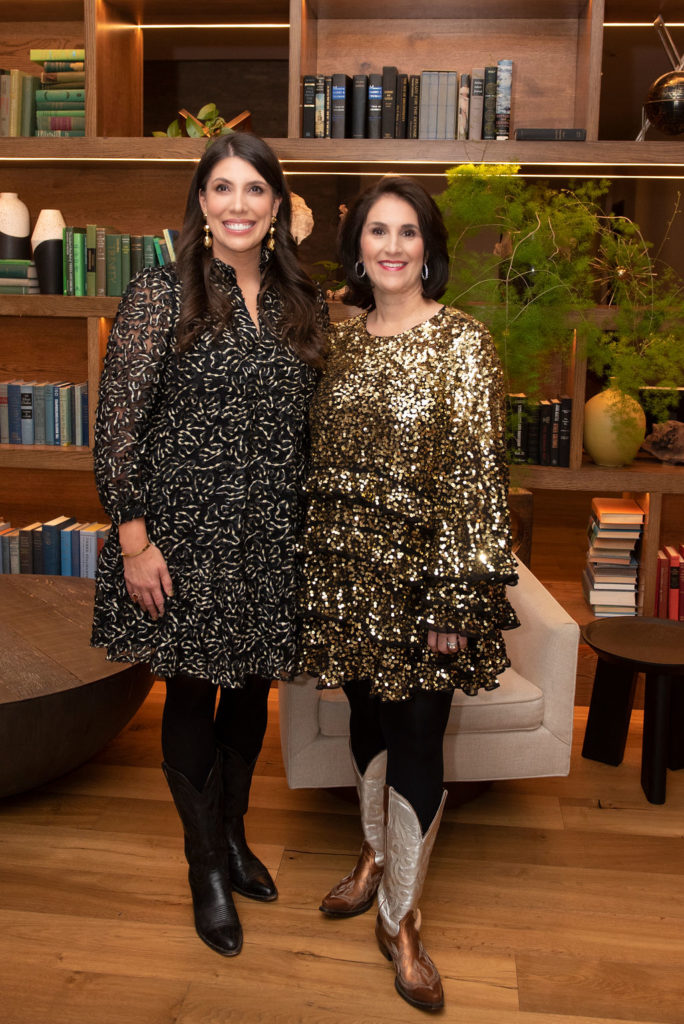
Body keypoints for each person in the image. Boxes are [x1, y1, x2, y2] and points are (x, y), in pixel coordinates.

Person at [91, 133, 328, 958]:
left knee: (251, 692)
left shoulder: (306, 298)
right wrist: (133, 542)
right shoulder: (161, 291)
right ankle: (205, 869)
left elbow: (310, 423)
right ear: (201, 201)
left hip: (272, 533)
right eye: (222, 188)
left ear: (276, 205)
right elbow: (118, 426)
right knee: (192, 696)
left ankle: (232, 835)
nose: (238, 205)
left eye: (254, 189)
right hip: (183, 538)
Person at [298, 177, 519, 1011]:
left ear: (428, 247)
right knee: (365, 719)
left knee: (418, 737)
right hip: (343, 573)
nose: (392, 246)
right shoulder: (337, 339)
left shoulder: (465, 342)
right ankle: (371, 856)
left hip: (422, 582)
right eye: (377, 232)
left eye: (408, 232)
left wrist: (454, 604)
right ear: (358, 247)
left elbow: (476, 481)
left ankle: (401, 919)